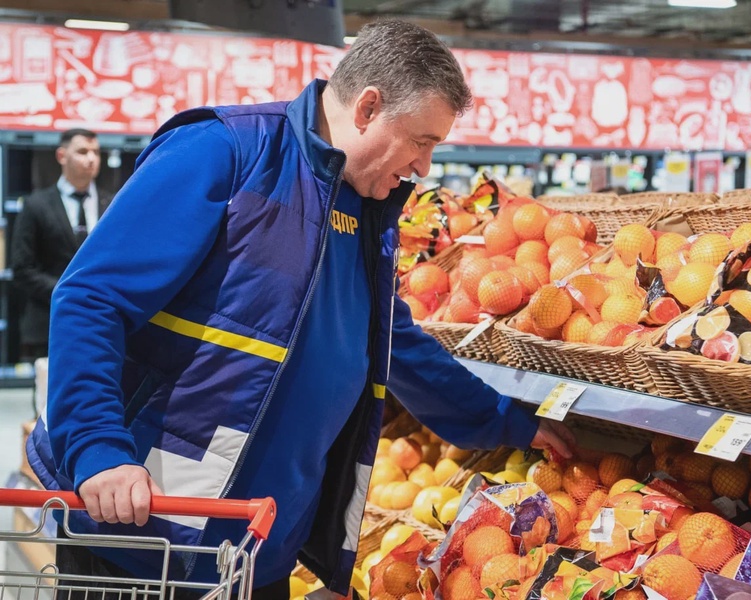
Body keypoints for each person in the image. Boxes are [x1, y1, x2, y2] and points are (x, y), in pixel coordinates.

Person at [27, 20, 576, 600]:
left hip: (257, 548)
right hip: (143, 531)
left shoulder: (369, 212)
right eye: (421, 141)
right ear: (367, 108)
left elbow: (394, 344)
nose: (424, 168)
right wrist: (97, 448)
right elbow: (91, 298)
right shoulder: (225, 153)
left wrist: (512, 422)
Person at [10, 129, 111, 363]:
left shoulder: (112, 204)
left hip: (102, 323)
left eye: (96, 152)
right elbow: (22, 268)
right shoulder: (36, 205)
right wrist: (67, 293)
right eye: (83, 151)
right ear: (61, 155)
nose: (91, 159)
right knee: (49, 397)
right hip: (49, 322)